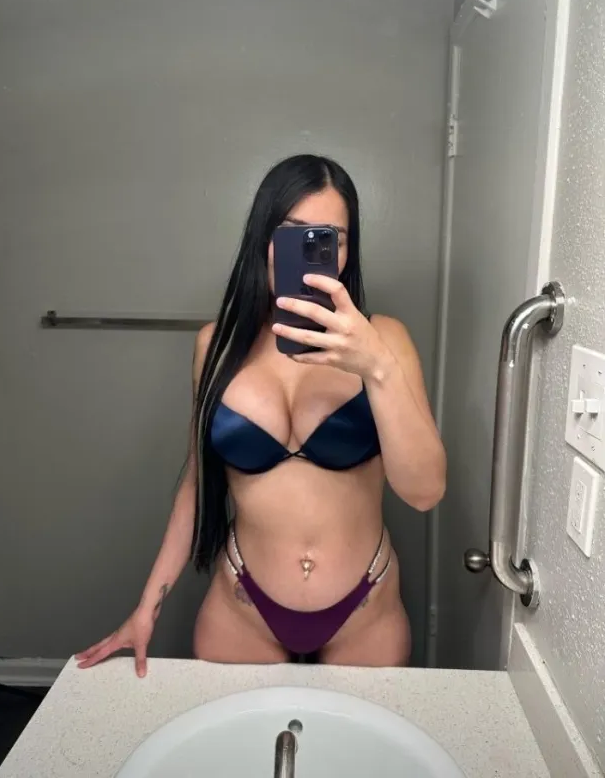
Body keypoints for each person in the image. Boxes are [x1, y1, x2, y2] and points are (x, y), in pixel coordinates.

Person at [75, 154, 446, 676]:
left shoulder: (385, 339)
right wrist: (146, 607)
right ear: (263, 238)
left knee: (357, 735)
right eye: (292, 233)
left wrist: (377, 369)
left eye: (329, 238)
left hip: (366, 609)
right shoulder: (216, 346)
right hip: (242, 608)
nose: (309, 252)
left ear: (346, 253)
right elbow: (196, 485)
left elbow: (425, 492)